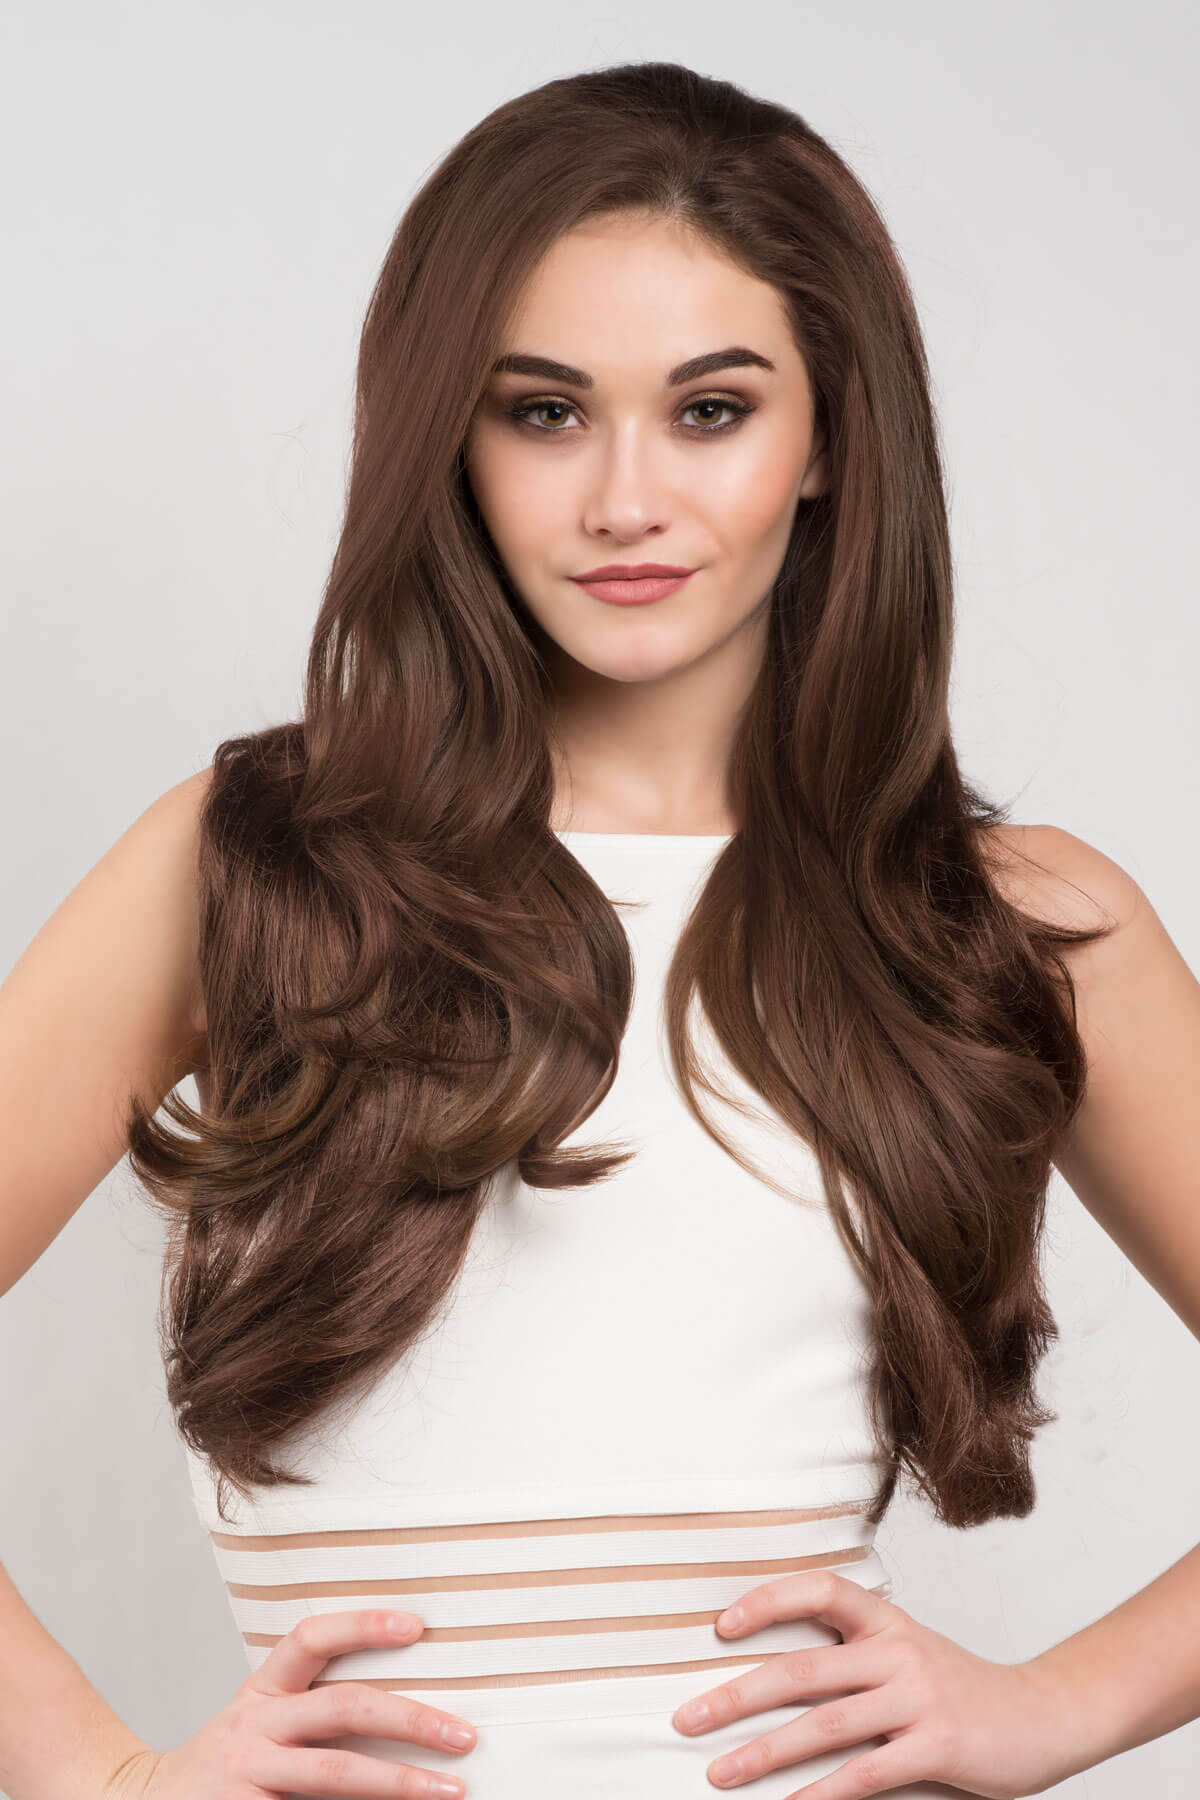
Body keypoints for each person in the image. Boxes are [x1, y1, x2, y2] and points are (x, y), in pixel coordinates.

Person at [2, 57, 1199, 1800]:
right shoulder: (251, 863)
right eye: (544, 411)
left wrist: (1064, 1705)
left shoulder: (1008, 919)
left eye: (711, 410)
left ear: (829, 443)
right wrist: (96, 1778)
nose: (625, 499)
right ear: (449, 437)